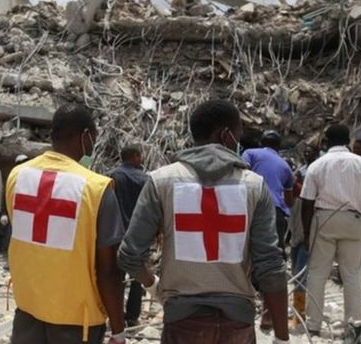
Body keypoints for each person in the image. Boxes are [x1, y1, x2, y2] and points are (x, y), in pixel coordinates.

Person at [118, 99, 289, 344]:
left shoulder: (161, 181)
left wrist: (154, 286)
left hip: (182, 321)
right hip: (237, 323)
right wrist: (282, 338)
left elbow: (129, 256)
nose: (239, 141)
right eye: (239, 133)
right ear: (226, 135)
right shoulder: (255, 186)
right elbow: (271, 266)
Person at [6, 104, 126, 344]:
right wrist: (118, 330)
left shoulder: (17, 176)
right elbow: (108, 270)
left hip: (27, 310)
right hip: (76, 321)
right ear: (86, 135)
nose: (93, 145)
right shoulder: (96, 188)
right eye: (93, 137)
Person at [301, 124, 361, 336]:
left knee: (318, 273)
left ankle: (313, 325)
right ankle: (353, 326)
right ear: (348, 141)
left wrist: (306, 233)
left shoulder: (317, 165)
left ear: (326, 142)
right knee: (352, 275)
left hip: (323, 219)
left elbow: (307, 203)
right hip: (354, 220)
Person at [242, 130, 294, 329]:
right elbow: (289, 200)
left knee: (243, 257)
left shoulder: (251, 154)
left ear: (260, 142)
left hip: (250, 206)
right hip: (275, 213)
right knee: (271, 263)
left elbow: (240, 173)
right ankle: (267, 316)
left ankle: (242, 311)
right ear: (278, 147)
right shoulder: (285, 166)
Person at [109, 144, 149, 327]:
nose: (142, 159)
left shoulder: (112, 177)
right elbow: (151, 209)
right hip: (139, 235)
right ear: (134, 156)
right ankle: (132, 316)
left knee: (115, 276)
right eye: (140, 156)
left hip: (115, 233)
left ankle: (114, 313)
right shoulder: (146, 179)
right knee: (137, 276)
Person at [287, 144, 318, 328]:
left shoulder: (305, 203)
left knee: (301, 274)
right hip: (297, 239)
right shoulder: (293, 201)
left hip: (305, 239)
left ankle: (299, 314)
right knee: (296, 273)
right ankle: (299, 310)